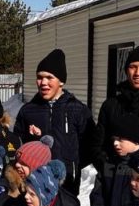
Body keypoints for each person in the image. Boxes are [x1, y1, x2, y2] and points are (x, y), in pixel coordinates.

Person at [14, 48, 96, 193]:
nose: (43, 82)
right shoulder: (28, 111)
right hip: (35, 183)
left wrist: (72, 166)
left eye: (49, 77)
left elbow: (90, 146)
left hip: (67, 184)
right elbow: (18, 144)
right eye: (40, 77)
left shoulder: (77, 110)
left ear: (61, 81)